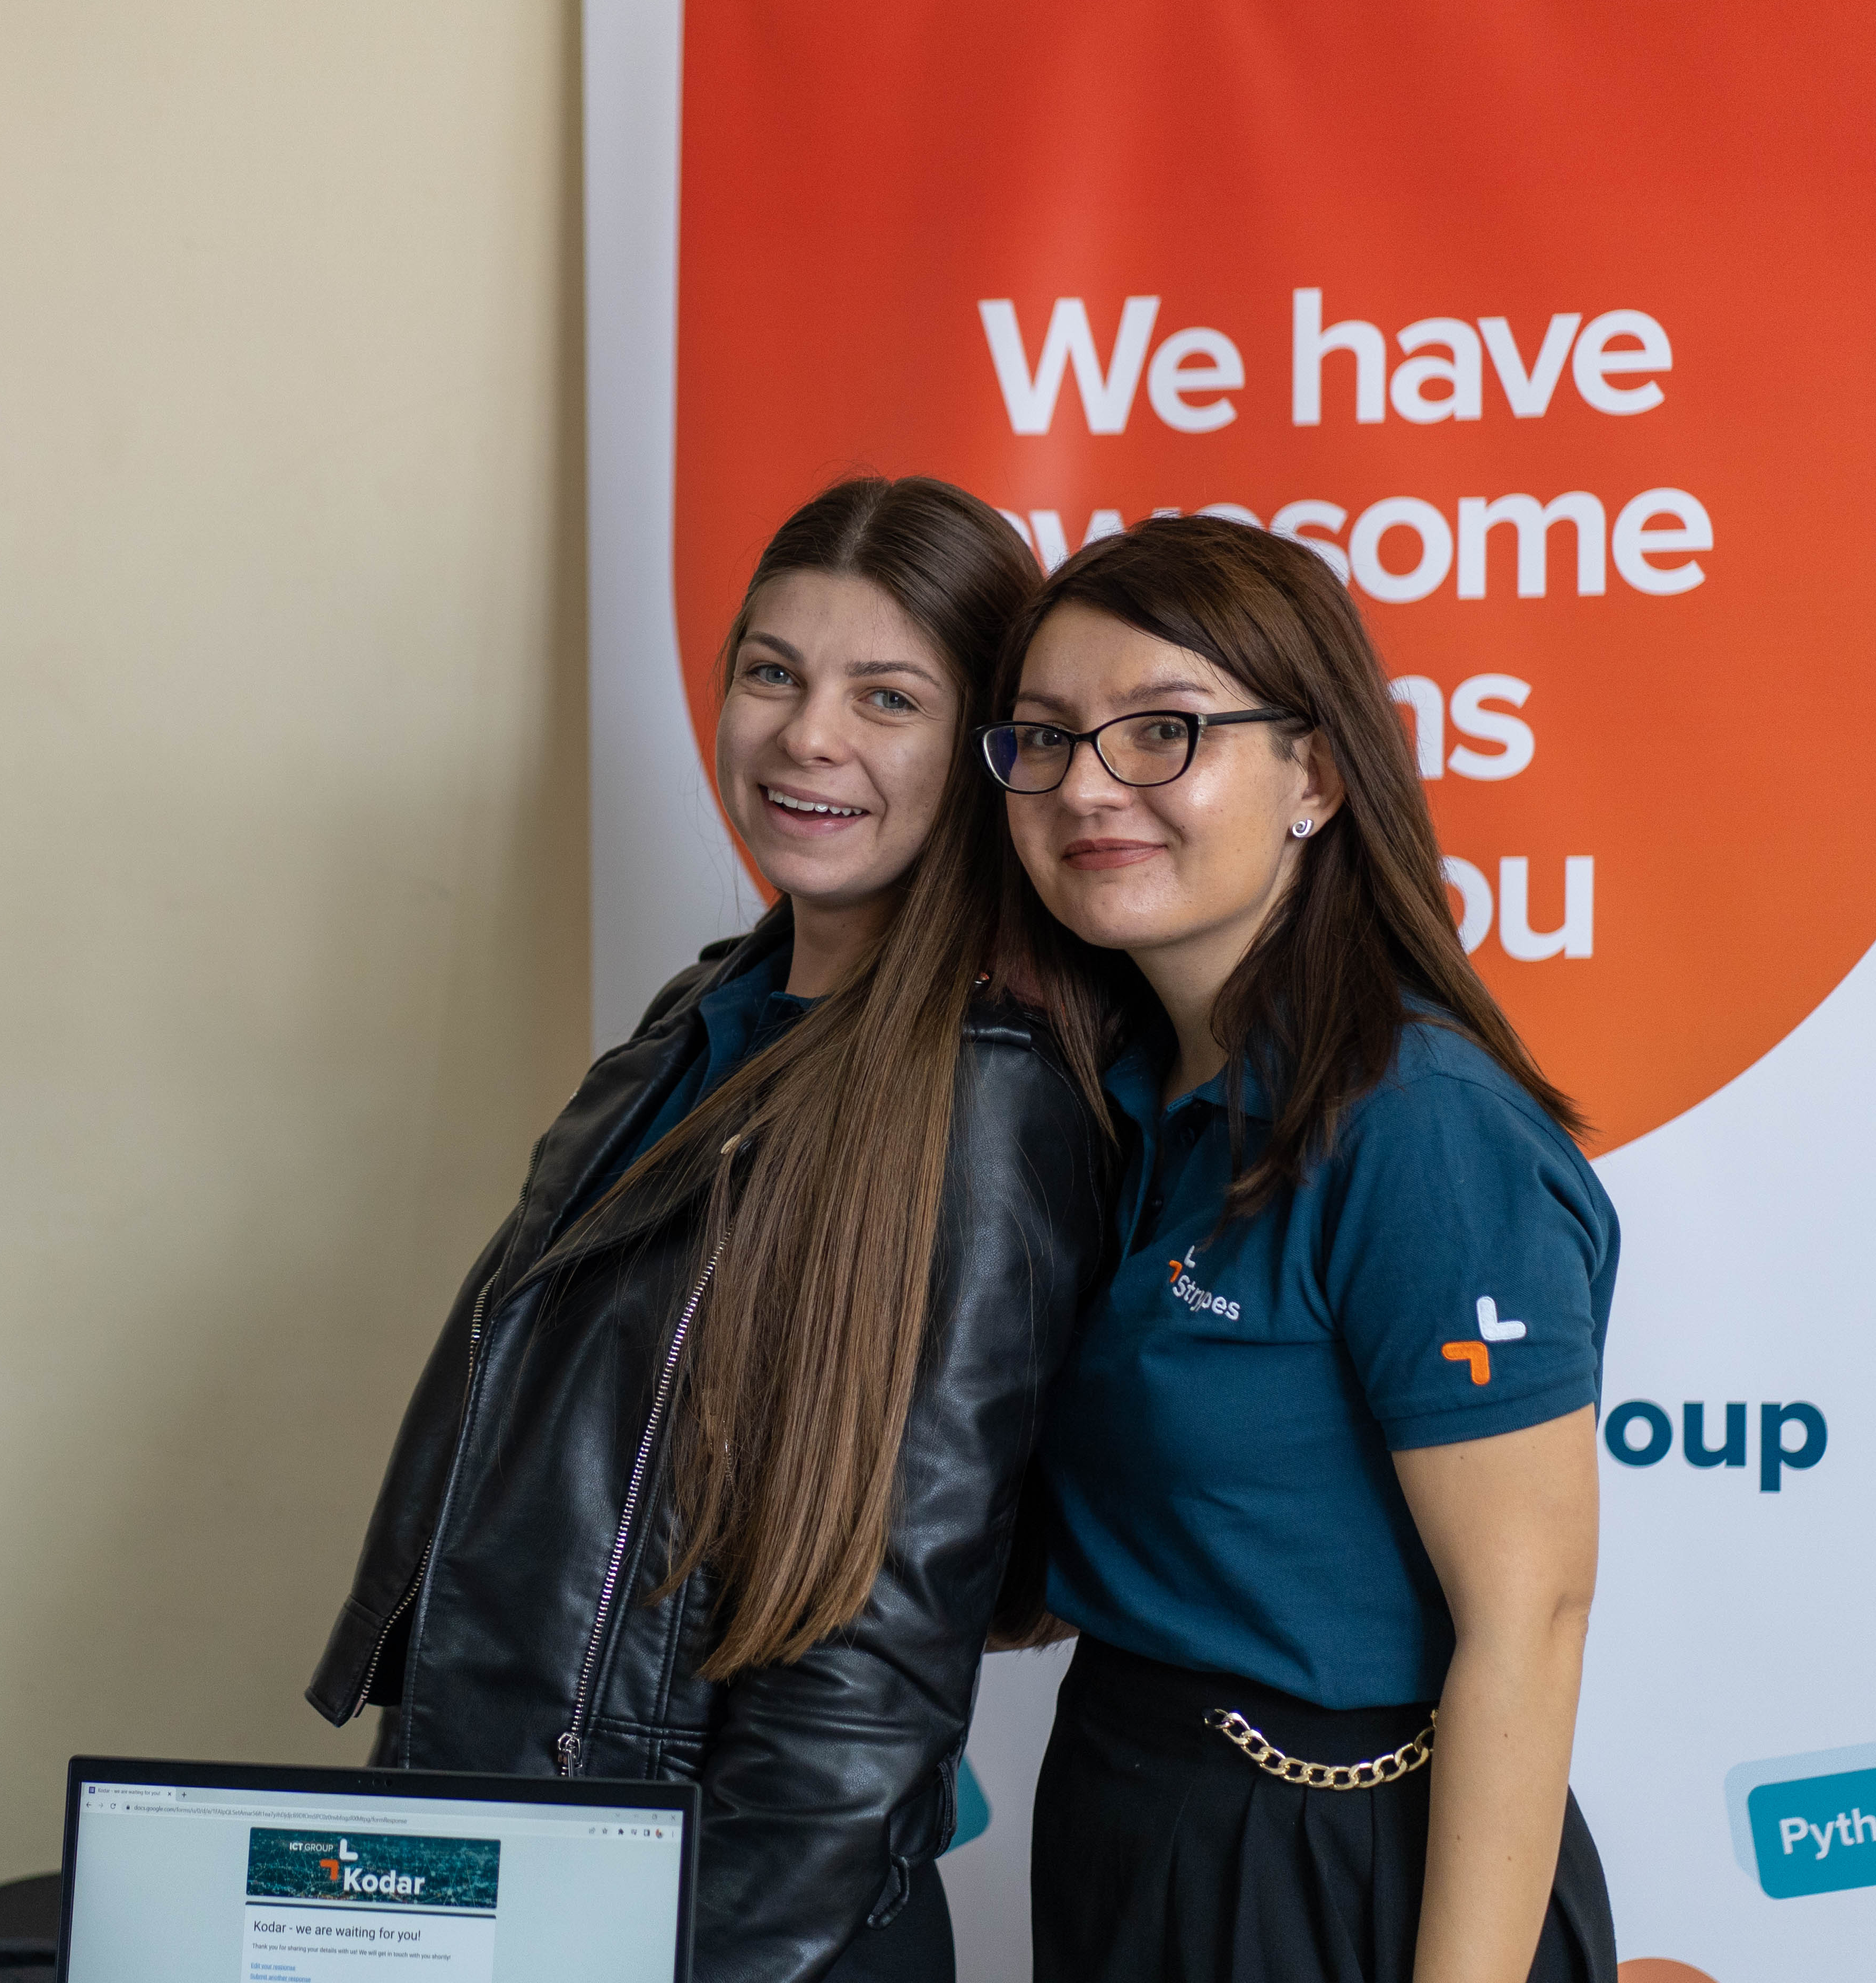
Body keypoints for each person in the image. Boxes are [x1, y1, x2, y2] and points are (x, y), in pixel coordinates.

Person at [309, 476, 1111, 1983]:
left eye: (888, 698)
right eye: (772, 673)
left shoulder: (984, 1092)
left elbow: (869, 1675)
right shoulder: (702, 1020)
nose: (808, 736)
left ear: (988, 748)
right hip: (545, 1861)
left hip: (735, 1926)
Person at [983, 515, 1615, 1982]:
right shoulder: (1117, 1109)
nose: (1088, 786)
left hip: (1335, 1862)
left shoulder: (1417, 1125)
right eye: (1045, 738)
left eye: (1163, 731)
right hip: (1128, 1817)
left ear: (1316, 777)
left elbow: (1532, 1617)